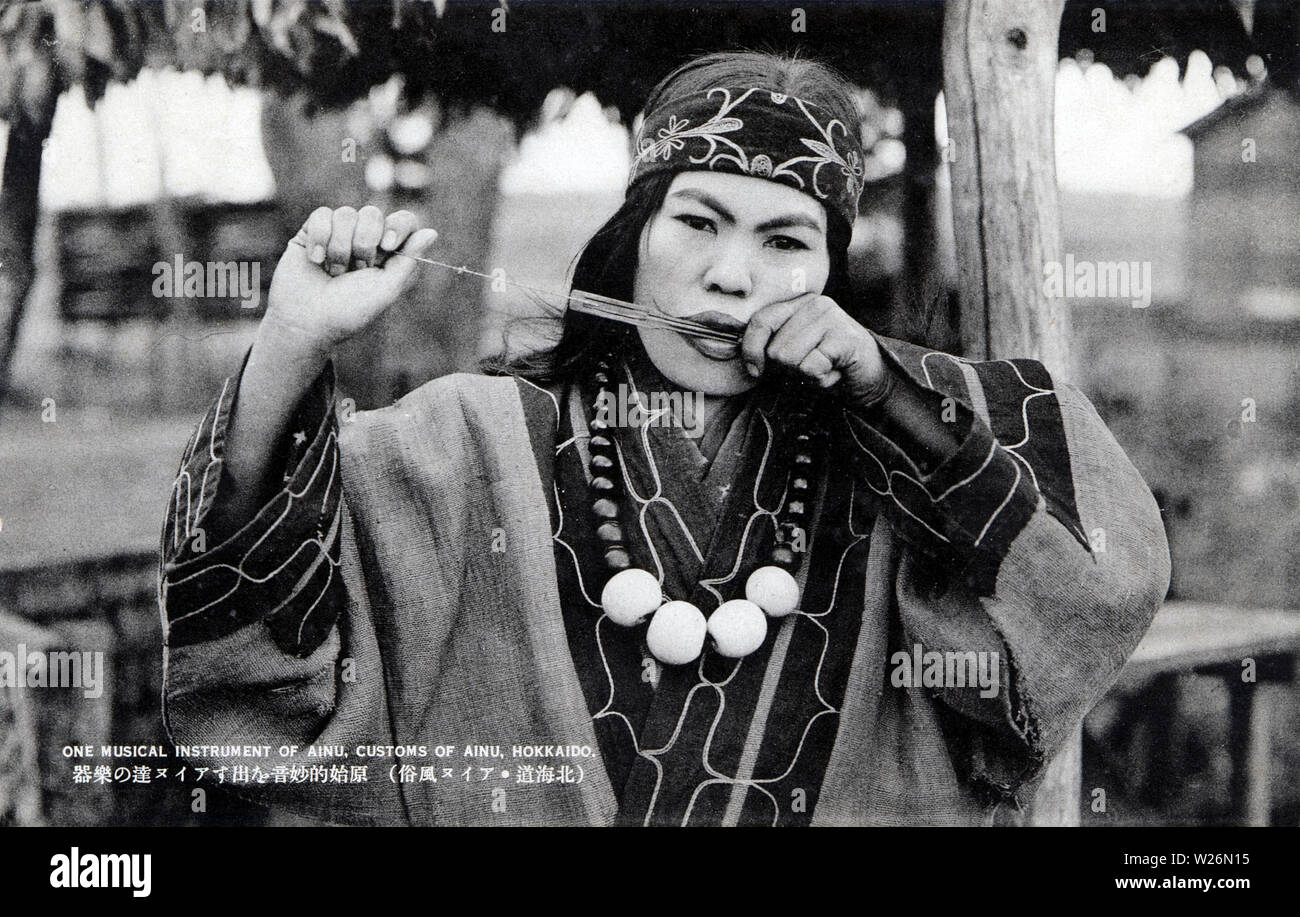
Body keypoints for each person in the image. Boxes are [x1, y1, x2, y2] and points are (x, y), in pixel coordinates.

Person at [158, 51, 1169, 826]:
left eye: (784, 241)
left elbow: (1086, 596)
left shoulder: (893, 457)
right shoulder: (464, 439)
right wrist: (292, 341)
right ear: (634, 236)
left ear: (829, 272)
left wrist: (886, 392)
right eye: (698, 221)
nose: (732, 274)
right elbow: (262, 669)